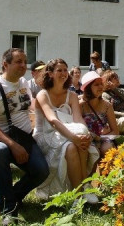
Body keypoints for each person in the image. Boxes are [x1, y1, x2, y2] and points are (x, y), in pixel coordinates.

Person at [0, 48, 49, 219]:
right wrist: (13, 145)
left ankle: (12, 195)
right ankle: (8, 211)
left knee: (41, 171)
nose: (23, 65)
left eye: (25, 61)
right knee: (0, 151)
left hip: (23, 137)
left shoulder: (24, 83)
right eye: (18, 62)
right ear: (5, 64)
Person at [33, 59, 99, 203]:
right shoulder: (43, 95)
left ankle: (83, 187)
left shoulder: (72, 95)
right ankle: (80, 192)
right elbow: (52, 120)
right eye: (59, 70)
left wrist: (86, 134)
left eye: (65, 70)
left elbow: (78, 119)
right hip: (46, 135)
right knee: (73, 144)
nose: (63, 73)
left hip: (67, 130)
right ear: (50, 74)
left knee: (77, 141)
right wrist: (74, 138)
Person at [80, 71, 119, 161]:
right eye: (96, 85)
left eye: (101, 84)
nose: (101, 87)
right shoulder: (80, 105)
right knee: (92, 151)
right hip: (87, 139)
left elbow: (115, 131)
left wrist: (102, 136)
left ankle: (109, 169)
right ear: (88, 88)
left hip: (104, 138)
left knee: (107, 148)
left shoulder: (107, 106)